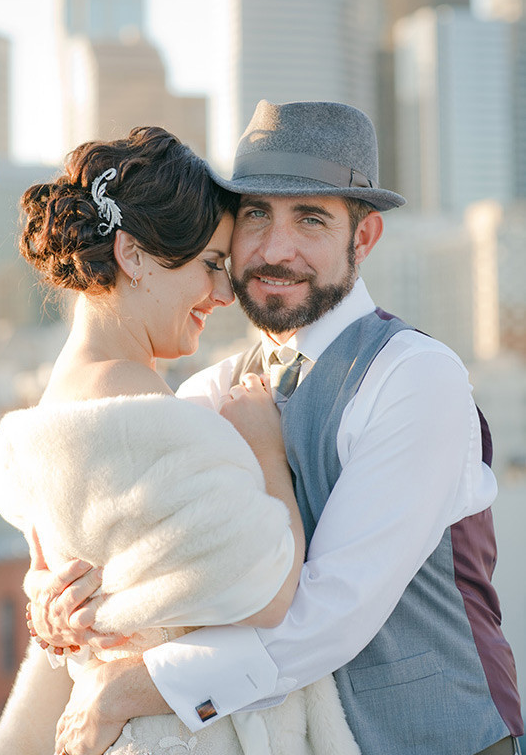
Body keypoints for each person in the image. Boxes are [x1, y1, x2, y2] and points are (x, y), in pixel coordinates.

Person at [26, 101, 523, 755]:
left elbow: (331, 616)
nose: (272, 249)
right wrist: (54, 605)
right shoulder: (211, 390)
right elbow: (152, 566)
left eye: (310, 219)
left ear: (363, 238)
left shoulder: (415, 375)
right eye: (256, 214)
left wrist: (132, 687)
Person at [0, 125, 361, 755]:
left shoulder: (59, 410)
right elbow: (268, 592)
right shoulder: (139, 412)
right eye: (211, 265)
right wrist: (267, 453)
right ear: (132, 256)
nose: (222, 292)